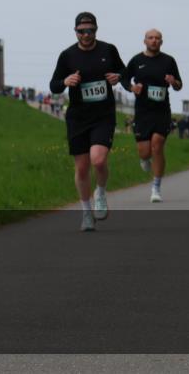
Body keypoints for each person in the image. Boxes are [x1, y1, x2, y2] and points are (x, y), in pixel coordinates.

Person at [50, 12, 125, 231]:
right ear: (75, 32)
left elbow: (124, 70)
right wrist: (65, 80)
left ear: (96, 30)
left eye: (90, 30)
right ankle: (86, 212)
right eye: (81, 31)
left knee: (98, 160)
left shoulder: (108, 50)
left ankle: (100, 192)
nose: (86, 34)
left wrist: (118, 77)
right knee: (82, 168)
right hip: (78, 117)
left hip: (103, 115)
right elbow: (54, 85)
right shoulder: (67, 56)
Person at [122, 28, 182, 203]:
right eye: (151, 38)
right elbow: (124, 79)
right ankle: (144, 159)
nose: (154, 41)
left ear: (161, 42)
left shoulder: (169, 61)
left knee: (157, 146)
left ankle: (156, 187)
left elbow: (179, 85)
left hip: (162, 110)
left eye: (157, 38)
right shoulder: (136, 60)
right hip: (142, 112)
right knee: (144, 151)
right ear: (145, 41)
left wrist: (174, 81)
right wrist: (132, 88)